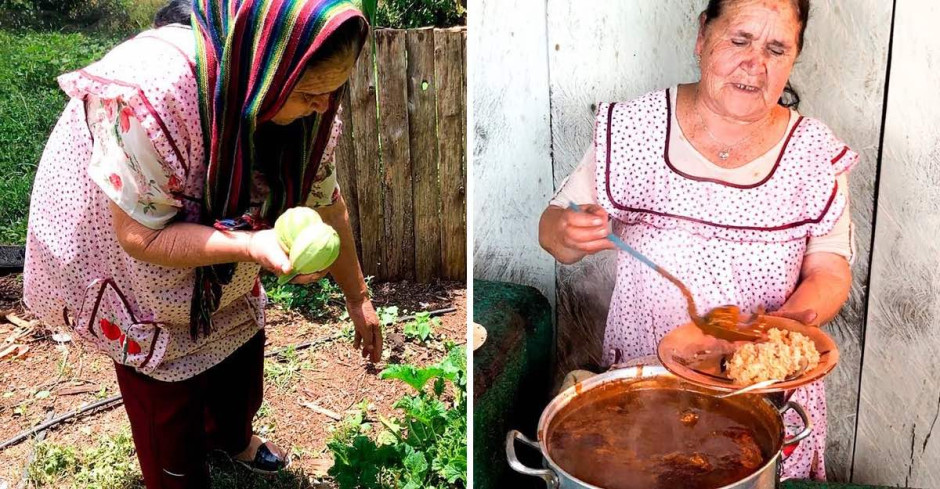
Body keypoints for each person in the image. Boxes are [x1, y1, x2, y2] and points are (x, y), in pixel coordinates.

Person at [22, 0, 382, 486]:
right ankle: (176, 475)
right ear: (264, 64)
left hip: (218, 242)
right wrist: (249, 246)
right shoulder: (156, 94)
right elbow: (141, 235)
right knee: (164, 384)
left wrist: (357, 298)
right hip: (131, 233)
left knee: (237, 350)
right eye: (309, 93)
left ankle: (231, 437)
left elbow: (327, 202)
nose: (324, 106)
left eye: (334, 90)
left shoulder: (308, 108)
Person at [538, 0, 853, 480]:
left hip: (766, 392)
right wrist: (568, 233)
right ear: (703, 34)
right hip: (648, 389)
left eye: (776, 49)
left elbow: (830, 270)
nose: (755, 64)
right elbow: (553, 230)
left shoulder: (814, 153)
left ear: (794, 57)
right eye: (740, 40)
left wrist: (775, 334)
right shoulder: (635, 127)